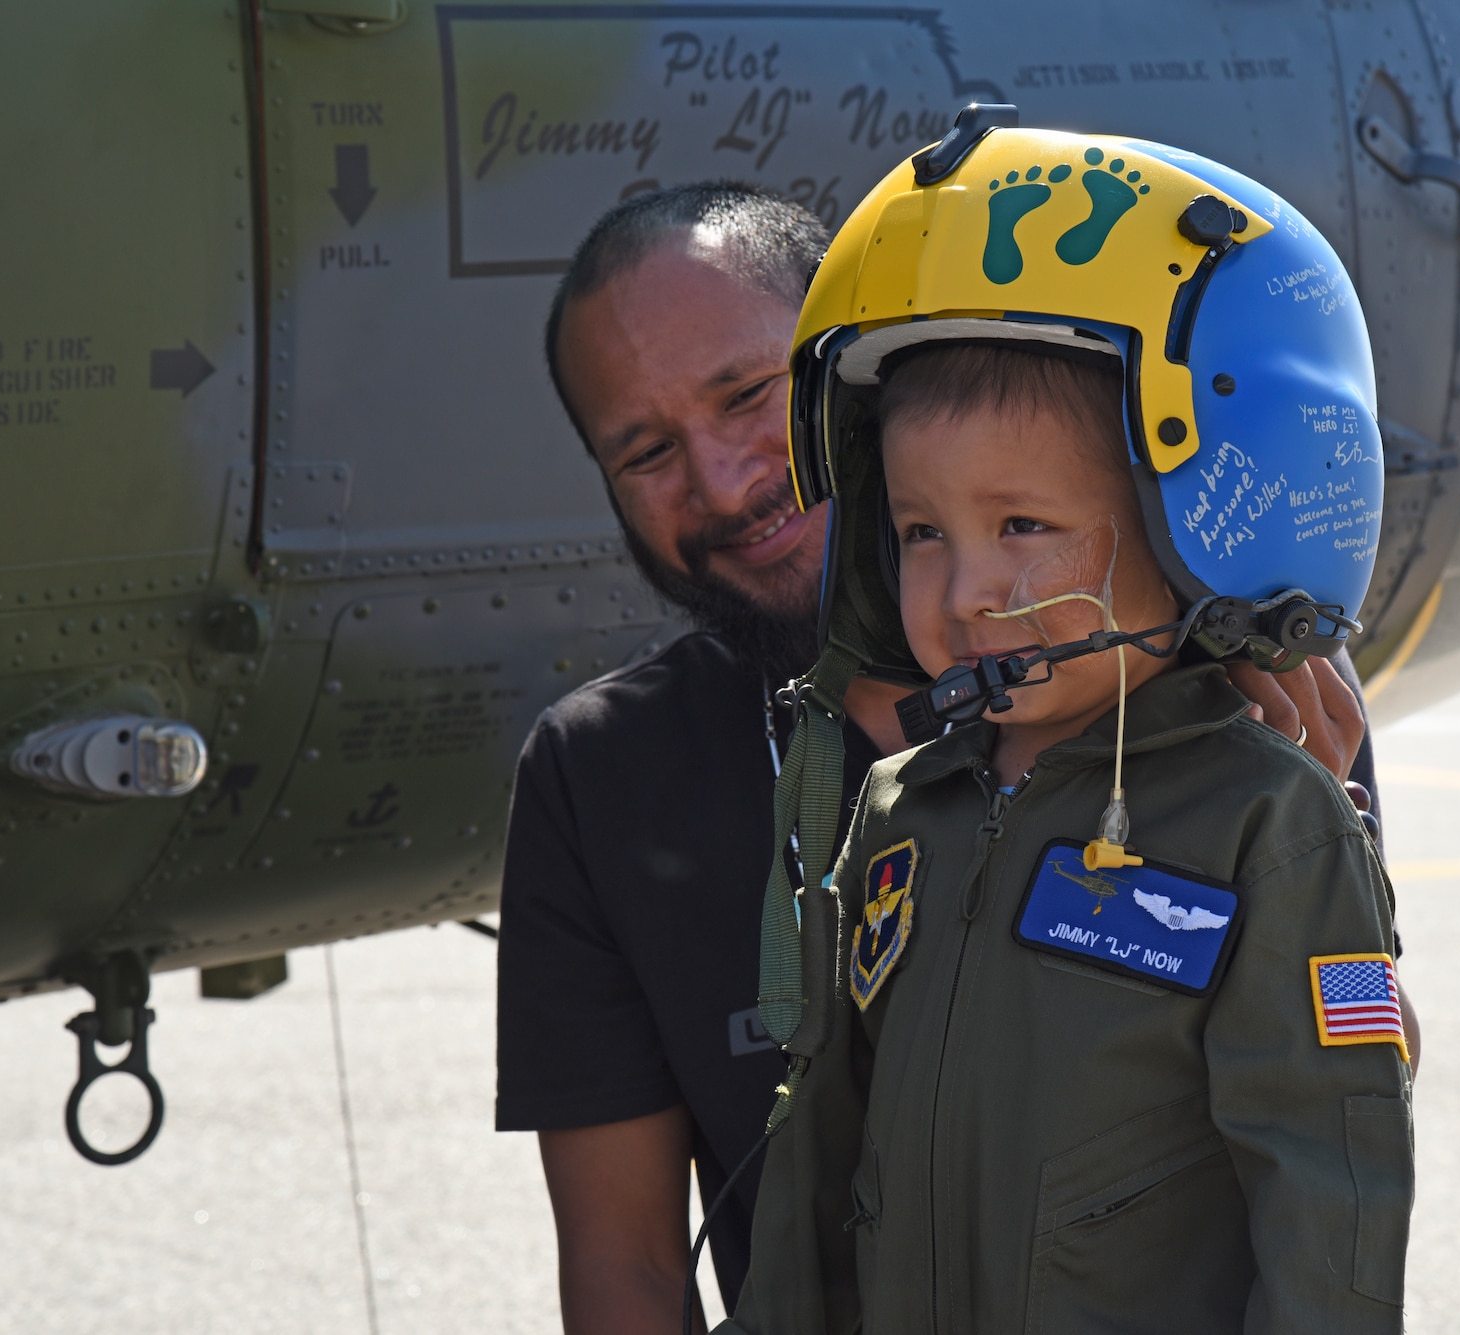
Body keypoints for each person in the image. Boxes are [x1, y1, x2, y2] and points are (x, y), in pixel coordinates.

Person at [500, 179, 1387, 1332]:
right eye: (647, 453)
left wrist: (1331, 866)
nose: (721, 482)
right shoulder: (606, 775)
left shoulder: (1232, 718)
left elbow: (1339, 1139)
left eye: (748, 397)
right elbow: (625, 1269)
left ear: (849, 385)